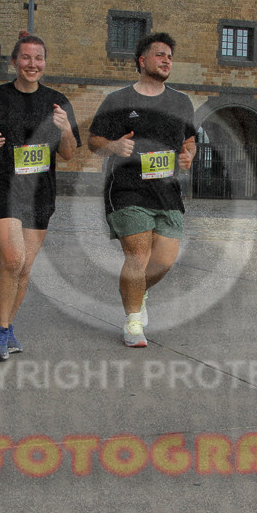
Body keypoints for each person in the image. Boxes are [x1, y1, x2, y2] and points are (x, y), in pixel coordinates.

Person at [0, 31, 81, 360]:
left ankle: (8, 327)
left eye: (38, 58)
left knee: (25, 266)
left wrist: (65, 128)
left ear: (45, 63)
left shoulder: (57, 101)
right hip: (0, 186)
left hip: (39, 192)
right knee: (13, 259)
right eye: (26, 58)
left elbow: (69, 153)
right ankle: (0, 332)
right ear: (14, 62)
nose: (33, 64)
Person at [87, 32, 196, 348]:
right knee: (138, 255)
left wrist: (189, 154)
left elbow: (189, 141)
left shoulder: (181, 102)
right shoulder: (118, 100)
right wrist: (114, 145)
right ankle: (133, 322)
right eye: (160, 55)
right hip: (127, 189)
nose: (166, 60)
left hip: (167, 191)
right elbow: (94, 141)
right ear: (142, 60)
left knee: (164, 261)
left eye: (170, 57)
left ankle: (135, 290)